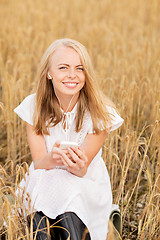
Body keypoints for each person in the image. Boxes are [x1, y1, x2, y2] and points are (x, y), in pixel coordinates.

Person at [14, 38, 124, 240]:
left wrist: (78, 165)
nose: (72, 75)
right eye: (63, 68)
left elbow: (82, 170)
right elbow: (39, 163)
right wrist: (53, 159)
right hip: (44, 177)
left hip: (85, 181)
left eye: (79, 68)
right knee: (48, 183)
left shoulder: (100, 113)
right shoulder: (34, 106)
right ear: (49, 73)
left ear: (86, 74)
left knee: (68, 186)